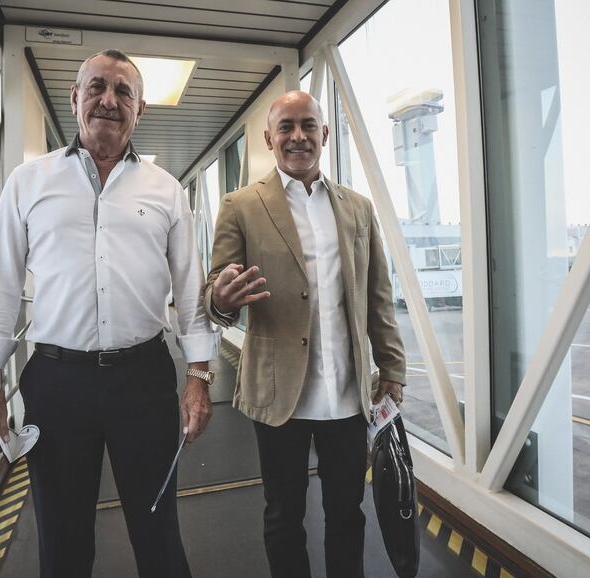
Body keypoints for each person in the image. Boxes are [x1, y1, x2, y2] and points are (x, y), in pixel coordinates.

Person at [0, 49, 219, 578]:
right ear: (75, 98)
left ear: (140, 109)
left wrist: (197, 376)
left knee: (159, 535)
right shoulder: (28, 183)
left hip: (144, 380)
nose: (109, 99)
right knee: (62, 541)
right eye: (97, 87)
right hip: (57, 383)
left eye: (123, 91)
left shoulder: (166, 191)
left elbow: (191, 296)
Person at [204, 90, 406, 578]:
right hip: (279, 397)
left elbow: (377, 296)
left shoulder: (358, 208)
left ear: (325, 133)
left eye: (309, 125)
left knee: (346, 513)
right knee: (283, 515)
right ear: (269, 139)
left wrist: (393, 370)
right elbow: (213, 290)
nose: (299, 136)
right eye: (288, 127)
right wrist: (221, 300)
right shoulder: (241, 206)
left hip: (347, 396)